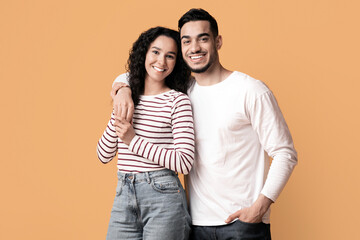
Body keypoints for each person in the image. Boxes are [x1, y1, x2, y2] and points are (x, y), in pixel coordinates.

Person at [111, 9, 298, 240]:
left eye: (203, 38)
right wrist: (122, 89)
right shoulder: (182, 93)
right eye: (186, 41)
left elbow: (285, 153)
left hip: (243, 223)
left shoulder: (250, 90)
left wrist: (259, 208)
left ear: (218, 41)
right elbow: (142, 74)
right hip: (195, 225)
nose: (195, 48)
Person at [97, 26, 194, 240]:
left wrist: (133, 140)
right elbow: (103, 154)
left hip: (163, 196)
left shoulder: (177, 101)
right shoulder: (127, 97)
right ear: (144, 53)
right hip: (124, 192)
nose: (161, 61)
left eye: (170, 56)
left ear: (176, 62)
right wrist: (121, 99)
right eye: (156, 52)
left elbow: (184, 162)